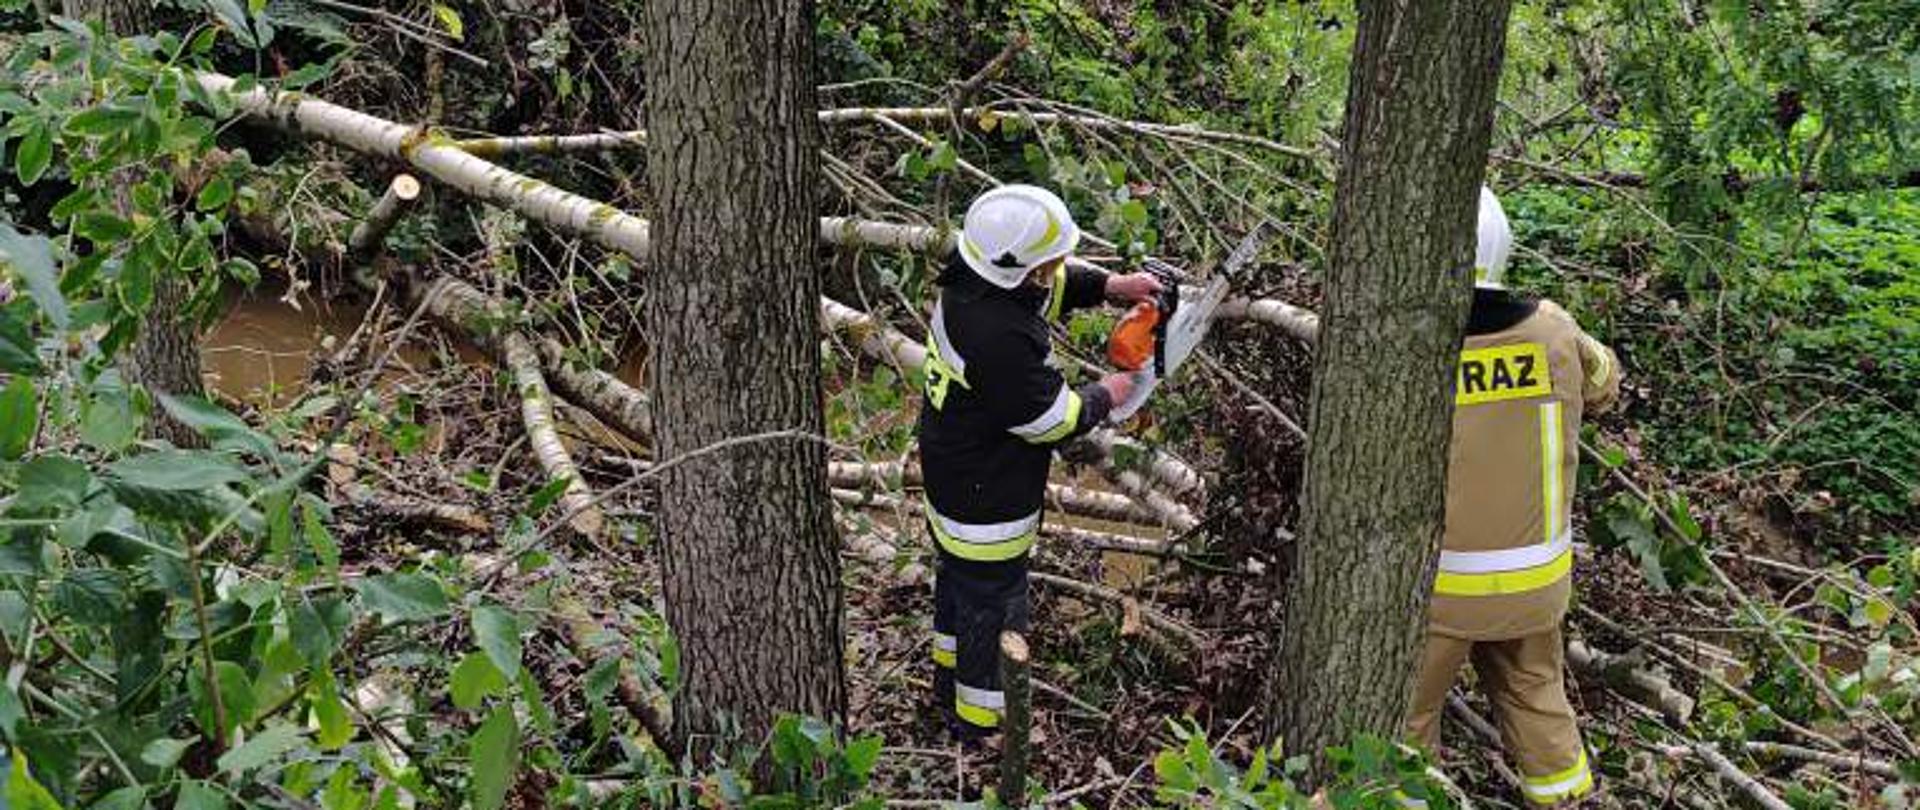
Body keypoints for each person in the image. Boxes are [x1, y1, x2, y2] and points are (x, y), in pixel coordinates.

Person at [1405, 187, 1623, 806]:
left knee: (1405, 725)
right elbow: (1606, 381)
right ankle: (1569, 800)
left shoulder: (1417, 349)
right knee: (1538, 702)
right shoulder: (1554, 330)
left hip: (1444, 591)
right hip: (1538, 585)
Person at [918, 184, 1161, 737]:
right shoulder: (996, 337)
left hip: (952, 473)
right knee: (993, 607)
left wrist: (1110, 287)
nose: (1054, 271)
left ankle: (946, 680)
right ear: (1019, 270)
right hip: (987, 499)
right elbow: (1050, 419)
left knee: (958, 585)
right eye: (1048, 264)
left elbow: (1042, 289)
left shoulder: (973, 277)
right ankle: (979, 725)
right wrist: (1111, 392)